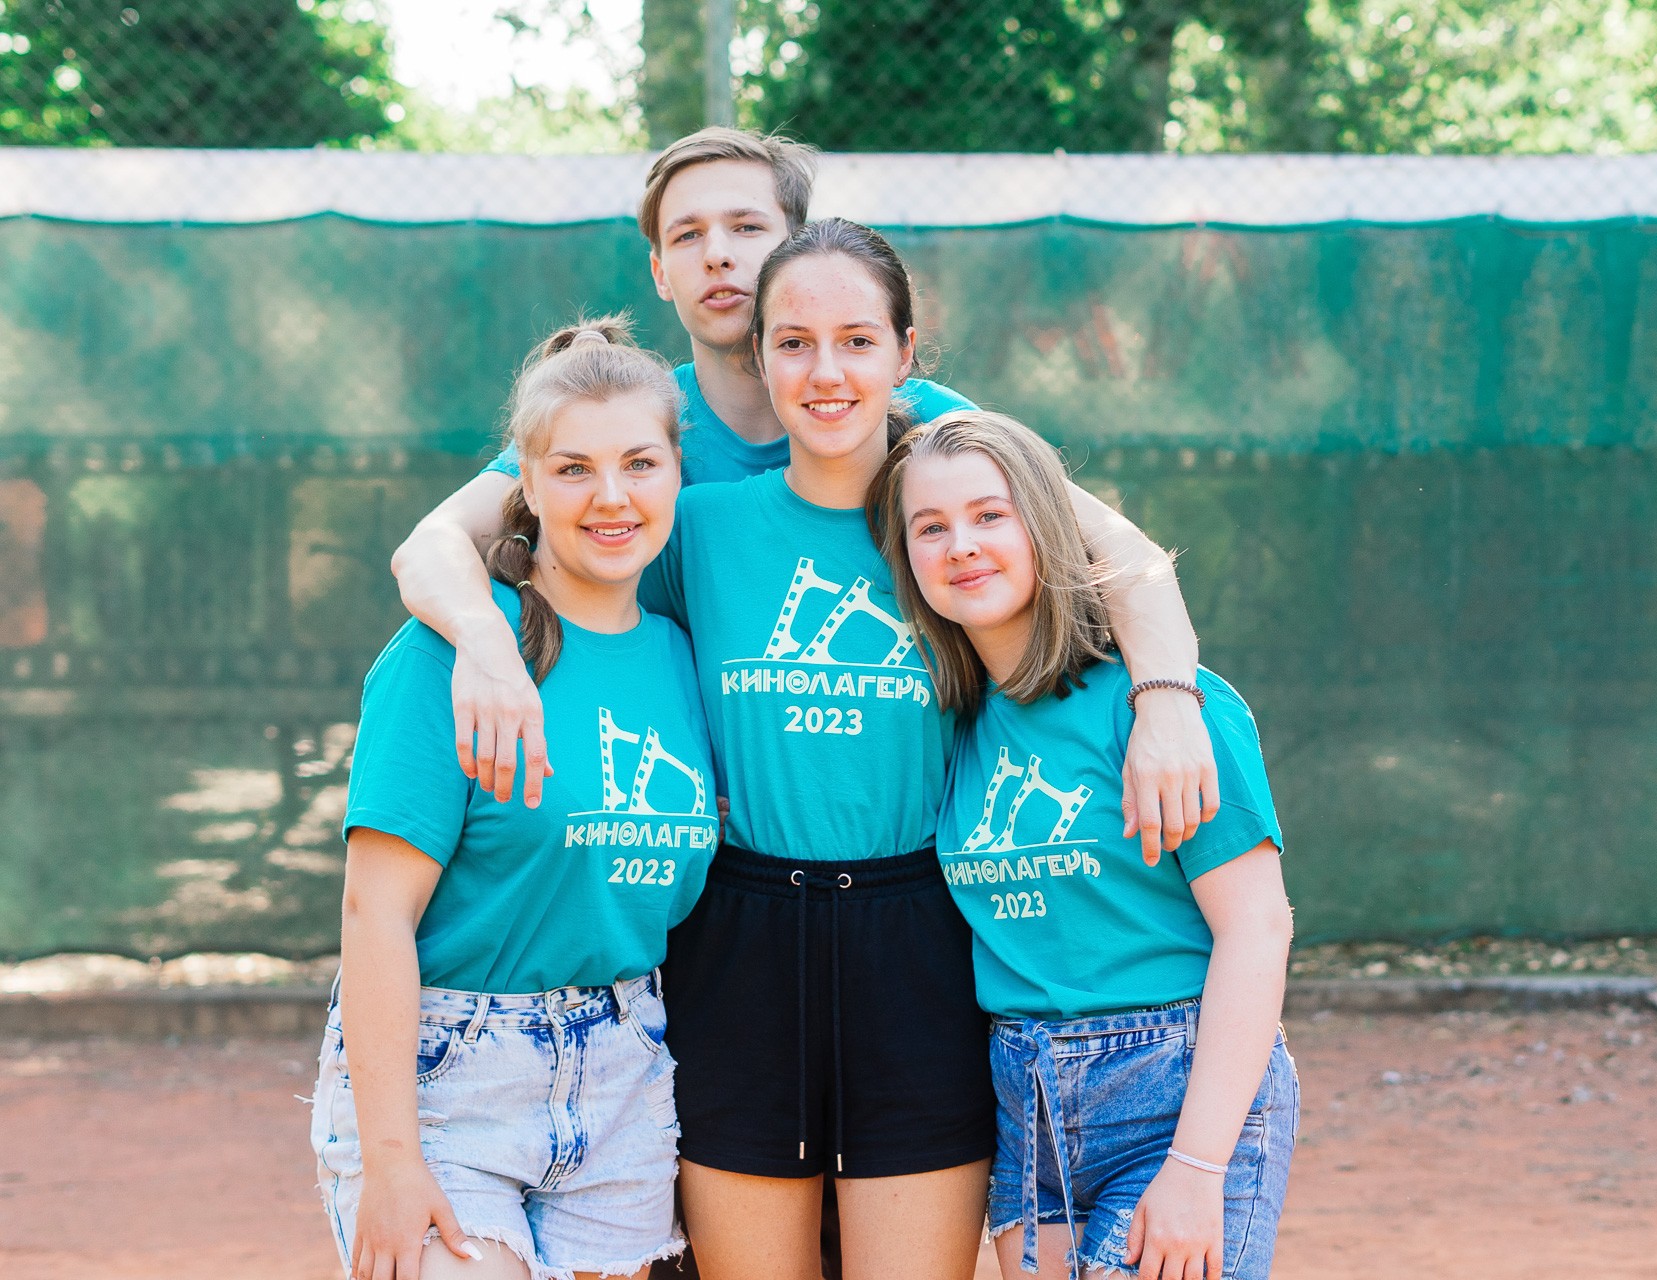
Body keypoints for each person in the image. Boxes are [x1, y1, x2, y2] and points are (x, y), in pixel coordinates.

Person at [391, 128, 1221, 867]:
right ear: (660, 271)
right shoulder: (634, 429)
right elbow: (432, 545)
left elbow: (1125, 556)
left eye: (746, 227)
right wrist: (485, 644)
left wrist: (1168, 705)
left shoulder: (923, 424)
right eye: (688, 234)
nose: (718, 254)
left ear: (795, 247)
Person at [312, 318, 717, 1280]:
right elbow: (375, 914)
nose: (611, 497)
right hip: (448, 1074)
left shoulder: (682, 658)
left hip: (623, 1069)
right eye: (573, 469)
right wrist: (393, 1159)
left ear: (677, 474)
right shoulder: (448, 655)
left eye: (640, 463)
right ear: (524, 487)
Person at [869, 408, 1298, 1280]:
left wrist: (1197, 1167)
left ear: (1047, 526)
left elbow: (1258, 929)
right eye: (931, 527)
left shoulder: (1163, 709)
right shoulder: (956, 725)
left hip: (1172, 1082)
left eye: (991, 515)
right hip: (1023, 1094)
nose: (961, 545)